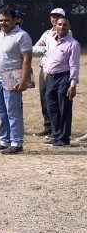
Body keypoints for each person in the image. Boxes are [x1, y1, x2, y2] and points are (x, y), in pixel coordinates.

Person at [0, 9, 33, 155]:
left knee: (13, 112)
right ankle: (4, 141)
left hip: (12, 77)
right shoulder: (0, 35)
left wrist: (24, 80)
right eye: (1, 20)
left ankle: (17, 143)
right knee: (1, 112)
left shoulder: (22, 36)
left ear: (15, 20)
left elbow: (27, 59)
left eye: (6, 20)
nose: (3, 23)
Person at [42, 16, 80, 147]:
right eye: (59, 24)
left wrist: (73, 84)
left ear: (69, 27)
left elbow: (74, 65)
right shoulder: (51, 41)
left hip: (65, 77)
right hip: (51, 78)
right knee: (51, 107)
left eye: (65, 25)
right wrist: (46, 70)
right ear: (55, 26)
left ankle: (64, 139)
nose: (62, 27)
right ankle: (56, 135)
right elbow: (49, 57)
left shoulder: (73, 44)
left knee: (64, 108)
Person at [31, 8, 66, 137]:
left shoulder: (66, 32)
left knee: (56, 100)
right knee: (44, 98)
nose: (55, 19)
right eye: (53, 16)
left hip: (57, 71)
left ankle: (58, 128)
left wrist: (45, 47)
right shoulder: (47, 33)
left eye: (58, 16)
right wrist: (48, 48)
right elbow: (34, 49)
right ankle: (48, 126)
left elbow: (61, 50)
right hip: (43, 69)